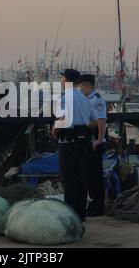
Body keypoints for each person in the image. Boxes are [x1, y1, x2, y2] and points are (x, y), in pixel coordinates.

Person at [51, 69, 97, 221]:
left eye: (63, 78)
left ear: (67, 81)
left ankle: (70, 214)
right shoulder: (85, 99)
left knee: (69, 179)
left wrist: (54, 131)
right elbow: (94, 121)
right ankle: (81, 214)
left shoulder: (64, 98)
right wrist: (82, 127)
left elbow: (63, 118)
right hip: (83, 143)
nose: (62, 81)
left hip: (67, 143)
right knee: (81, 178)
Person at [77, 74, 108, 217]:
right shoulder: (86, 99)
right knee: (89, 174)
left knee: (96, 175)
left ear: (87, 85)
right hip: (88, 140)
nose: (80, 88)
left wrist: (100, 140)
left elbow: (101, 121)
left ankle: (98, 206)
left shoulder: (97, 100)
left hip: (96, 140)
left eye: (81, 85)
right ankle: (92, 204)